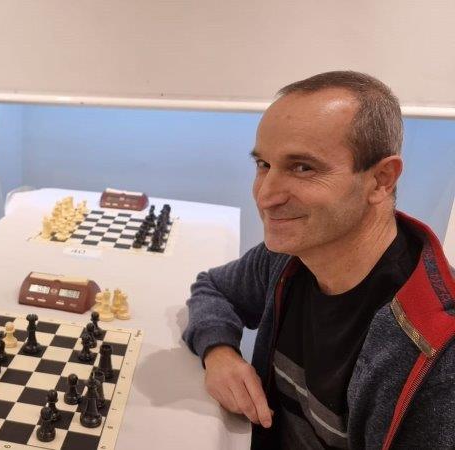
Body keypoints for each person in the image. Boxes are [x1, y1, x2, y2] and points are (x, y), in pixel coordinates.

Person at [183, 71, 455, 449]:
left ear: (381, 179)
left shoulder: (438, 360)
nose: (266, 196)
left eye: (303, 168)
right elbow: (213, 288)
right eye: (263, 165)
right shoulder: (288, 258)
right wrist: (220, 353)